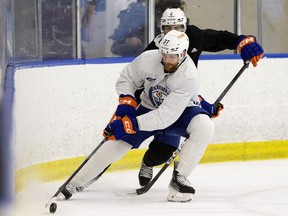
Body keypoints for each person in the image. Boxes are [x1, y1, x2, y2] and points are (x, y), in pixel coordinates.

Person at [60, 30, 215, 202]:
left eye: (172, 56)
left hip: (181, 113)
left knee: (204, 125)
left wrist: (132, 123)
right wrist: (127, 102)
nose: (167, 60)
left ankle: (180, 178)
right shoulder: (149, 58)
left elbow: (166, 115)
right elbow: (126, 78)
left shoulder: (189, 76)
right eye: (164, 54)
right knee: (116, 142)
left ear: (184, 54)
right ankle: (74, 183)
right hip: (148, 107)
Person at [137, 8, 264, 187]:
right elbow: (140, 85)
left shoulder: (194, 37)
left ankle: (147, 163)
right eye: (167, 28)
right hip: (153, 104)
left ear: (185, 26)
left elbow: (219, 38)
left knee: (161, 153)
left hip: (178, 104)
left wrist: (241, 41)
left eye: (178, 27)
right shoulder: (154, 51)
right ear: (161, 29)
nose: (173, 32)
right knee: (123, 137)